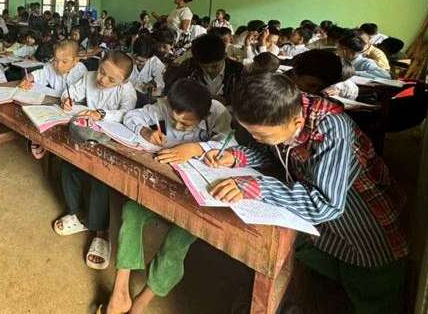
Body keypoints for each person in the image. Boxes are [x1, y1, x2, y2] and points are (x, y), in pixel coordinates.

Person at [205, 73, 408, 314]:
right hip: (325, 231)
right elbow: (272, 153)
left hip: (367, 229)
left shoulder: (332, 131)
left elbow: (326, 205)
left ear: (296, 123)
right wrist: (236, 157)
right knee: (333, 281)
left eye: (262, 135)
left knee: (371, 297)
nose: (256, 139)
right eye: (252, 133)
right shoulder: (282, 111)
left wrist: (257, 187)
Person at [100, 79, 232, 314]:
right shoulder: (166, 104)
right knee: (132, 211)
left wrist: (196, 148)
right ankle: (120, 291)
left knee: (180, 238)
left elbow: (229, 143)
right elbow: (132, 116)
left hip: (196, 193)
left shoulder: (218, 112)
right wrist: (146, 131)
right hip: (163, 183)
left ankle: (142, 301)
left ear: (204, 115)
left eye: (186, 123)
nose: (178, 126)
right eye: (174, 119)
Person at [53, 52, 136, 271]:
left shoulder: (127, 90)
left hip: (109, 140)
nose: (102, 80)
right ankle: (76, 213)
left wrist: (102, 114)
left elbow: (128, 114)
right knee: (69, 162)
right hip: (85, 133)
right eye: (102, 72)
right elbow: (70, 92)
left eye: (111, 79)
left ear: (123, 81)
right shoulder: (89, 77)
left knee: (99, 175)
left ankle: (100, 230)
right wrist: (67, 100)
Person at [21, 39, 87, 159]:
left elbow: (80, 94)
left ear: (75, 61)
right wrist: (28, 79)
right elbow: (39, 74)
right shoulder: (51, 66)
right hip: (55, 104)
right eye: (56, 60)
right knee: (36, 110)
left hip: (72, 108)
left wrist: (68, 101)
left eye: (64, 61)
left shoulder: (81, 71)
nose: (58, 65)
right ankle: (39, 139)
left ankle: (48, 142)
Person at [164, 33, 243, 106]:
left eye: (214, 66)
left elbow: (244, 101)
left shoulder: (238, 71)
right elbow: (172, 91)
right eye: (204, 67)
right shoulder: (189, 67)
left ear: (225, 56)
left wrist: (228, 101)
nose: (209, 70)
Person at [129, 34, 166, 107]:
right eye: (134, 58)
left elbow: (160, 83)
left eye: (141, 61)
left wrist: (153, 85)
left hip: (143, 98)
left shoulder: (156, 63)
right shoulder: (126, 59)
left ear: (150, 58)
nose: (136, 62)